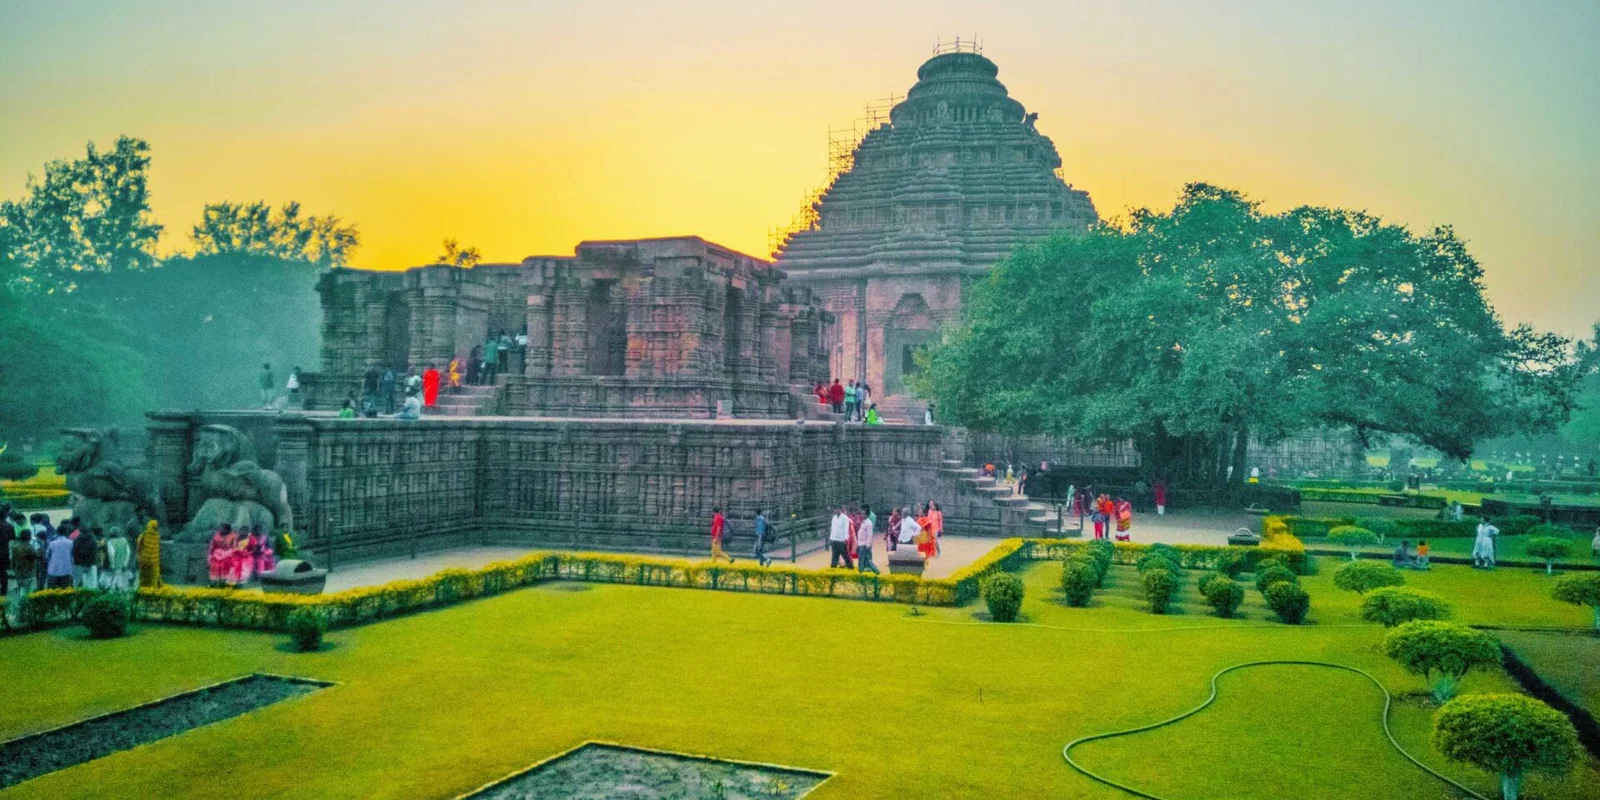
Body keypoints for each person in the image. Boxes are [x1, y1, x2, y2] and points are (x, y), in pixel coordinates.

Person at [9, 513, 38, 597]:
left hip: (19, 572)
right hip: (29, 573)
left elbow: (13, 561)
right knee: (29, 590)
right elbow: (34, 561)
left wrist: (14, 569)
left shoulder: (15, 548)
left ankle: (21, 599)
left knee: (21, 589)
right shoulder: (31, 547)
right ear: (29, 537)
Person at [137, 520, 162, 589]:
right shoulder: (157, 536)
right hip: (155, 561)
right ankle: (152, 591)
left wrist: (138, 555)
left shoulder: (143, 535)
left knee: (144, 577)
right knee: (153, 578)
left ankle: (143, 590)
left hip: (144, 560)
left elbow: (139, 544)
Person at [855, 506, 879, 574]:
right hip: (861, 543)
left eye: (863, 514)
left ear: (867, 515)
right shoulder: (863, 522)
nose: (862, 515)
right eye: (862, 514)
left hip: (865, 544)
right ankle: (873, 569)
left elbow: (870, 535)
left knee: (862, 559)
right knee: (865, 559)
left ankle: (861, 570)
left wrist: (868, 544)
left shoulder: (868, 523)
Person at [0, 504, 11, 597]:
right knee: (3, 572)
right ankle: (4, 591)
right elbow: (12, 540)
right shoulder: (8, 526)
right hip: (4, 552)